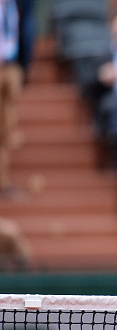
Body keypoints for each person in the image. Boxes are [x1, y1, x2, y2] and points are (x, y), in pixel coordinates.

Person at [0, 0, 34, 195]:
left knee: (6, 129)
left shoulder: (19, 5)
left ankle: (3, 182)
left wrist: (23, 67)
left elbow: (25, 29)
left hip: (12, 67)